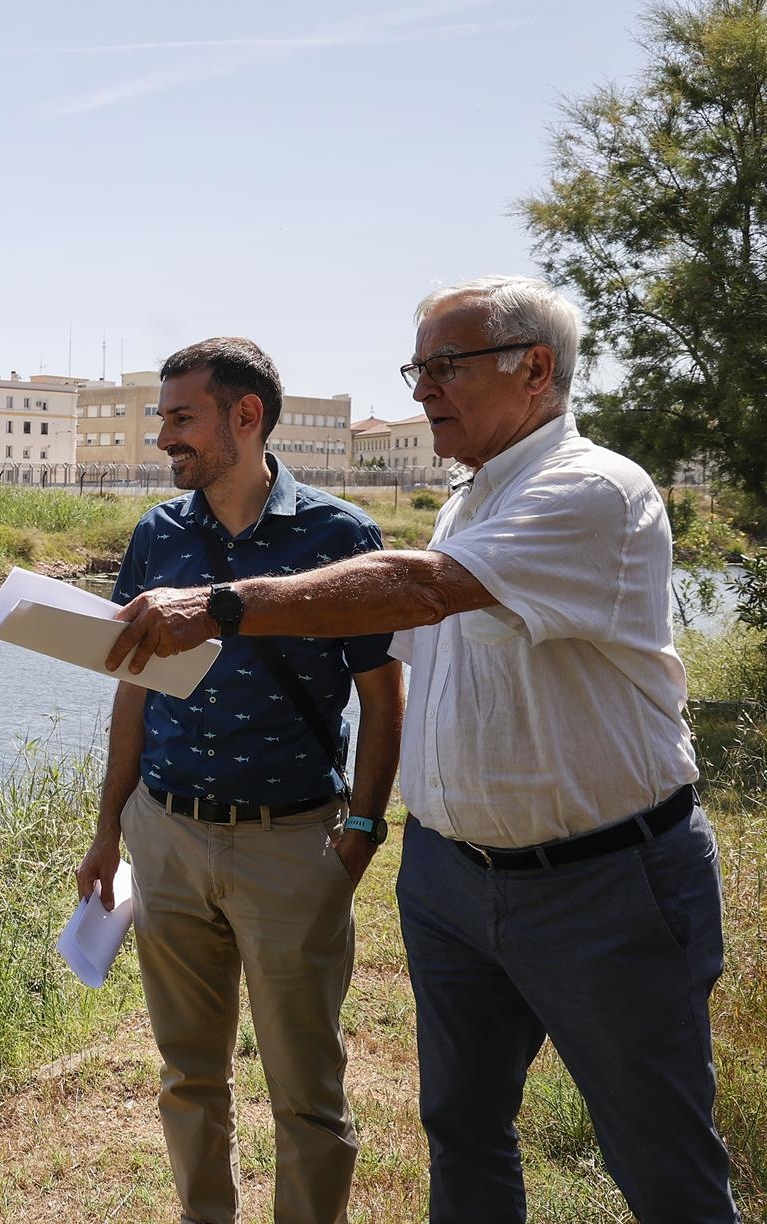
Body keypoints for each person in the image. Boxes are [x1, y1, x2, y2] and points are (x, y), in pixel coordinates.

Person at [106, 277, 737, 1223]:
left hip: (599, 887)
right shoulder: (470, 497)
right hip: (451, 883)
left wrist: (223, 607)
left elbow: (418, 593)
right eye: (418, 367)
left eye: (446, 367)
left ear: (534, 370)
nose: (422, 390)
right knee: (466, 1133)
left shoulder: (591, 490)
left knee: (659, 1155)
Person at [76, 337, 404, 1224]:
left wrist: (363, 833)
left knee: (308, 1095)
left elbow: (383, 696)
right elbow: (133, 691)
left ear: (245, 416)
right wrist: (111, 829)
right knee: (189, 1077)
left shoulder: (342, 535)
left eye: (180, 419)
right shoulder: (156, 534)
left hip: (292, 845)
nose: (163, 440)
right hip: (166, 838)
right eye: (162, 422)